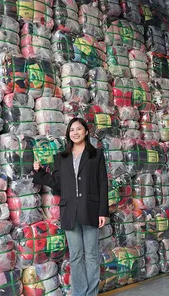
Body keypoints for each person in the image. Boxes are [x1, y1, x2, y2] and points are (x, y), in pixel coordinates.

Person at [32, 117, 109, 296]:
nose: (75, 132)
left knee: (90, 255)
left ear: (86, 131)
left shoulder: (96, 155)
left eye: (78, 129)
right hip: (69, 211)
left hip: (90, 209)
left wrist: (102, 211)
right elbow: (58, 184)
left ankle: (91, 293)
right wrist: (40, 172)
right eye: (71, 130)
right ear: (68, 134)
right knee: (75, 256)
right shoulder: (62, 157)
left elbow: (103, 183)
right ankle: (79, 293)